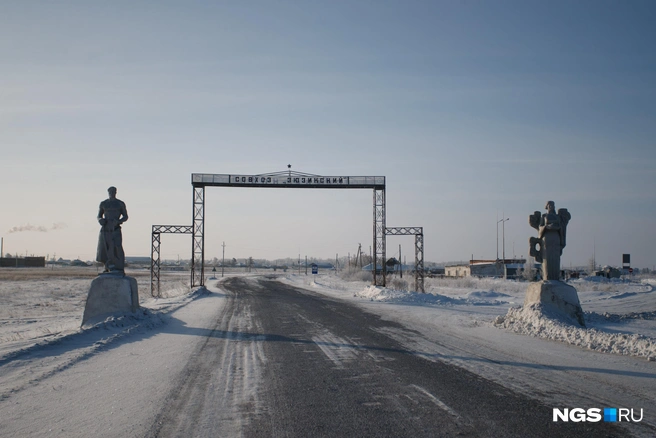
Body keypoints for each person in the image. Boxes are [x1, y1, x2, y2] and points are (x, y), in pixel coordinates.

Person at [96, 186, 128, 273]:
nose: (112, 193)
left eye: (113, 192)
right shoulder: (103, 203)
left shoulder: (120, 203)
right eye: (110, 192)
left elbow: (125, 216)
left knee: (116, 247)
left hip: (115, 228)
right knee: (105, 247)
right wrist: (100, 220)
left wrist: (118, 221)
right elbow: (99, 215)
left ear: (115, 192)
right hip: (106, 228)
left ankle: (118, 267)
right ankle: (107, 266)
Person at [537, 200, 570, 281]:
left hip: (556, 238)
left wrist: (557, 227)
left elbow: (561, 227)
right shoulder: (544, 216)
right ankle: (547, 277)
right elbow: (540, 227)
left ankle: (555, 277)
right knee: (547, 257)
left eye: (553, 205)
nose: (551, 207)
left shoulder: (557, 216)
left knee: (555, 257)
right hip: (547, 238)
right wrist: (546, 227)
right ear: (547, 206)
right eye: (550, 205)